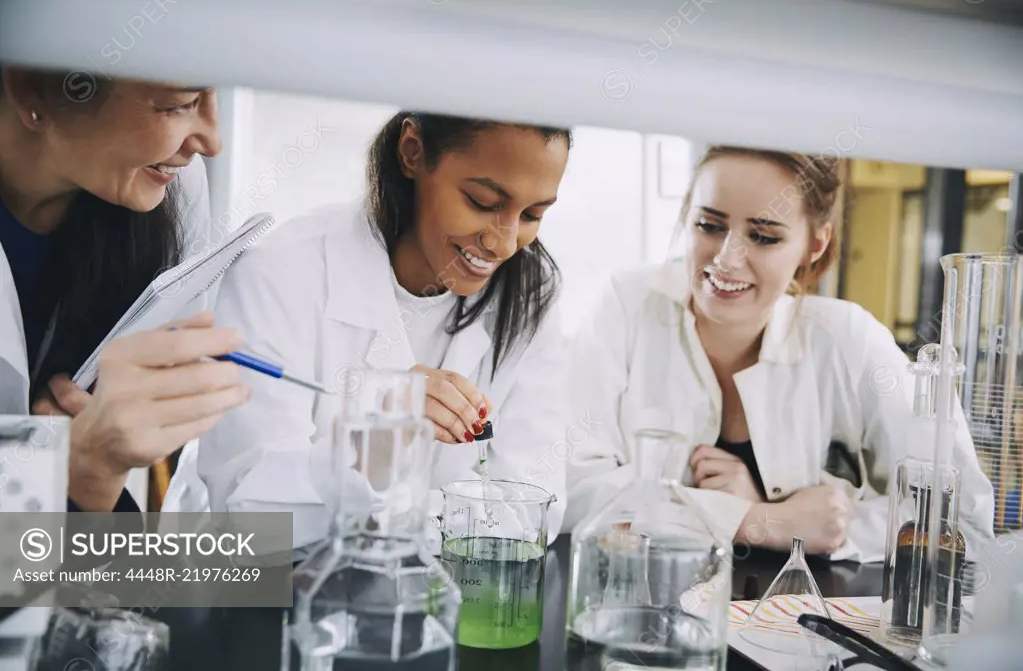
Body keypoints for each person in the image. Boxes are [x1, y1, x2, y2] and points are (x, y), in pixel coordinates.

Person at [565, 145, 994, 562]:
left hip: (800, 623)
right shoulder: (627, 304)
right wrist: (757, 521)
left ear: (815, 245)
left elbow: (962, 519)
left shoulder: (849, 338)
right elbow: (568, 490)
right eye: (709, 226)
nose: (727, 260)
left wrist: (838, 524)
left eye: (763, 236)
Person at [191, 112, 572, 553]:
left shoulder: (531, 294)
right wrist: (370, 442)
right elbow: (252, 518)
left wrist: (397, 514)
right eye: (482, 201)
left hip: (427, 599)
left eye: (532, 214)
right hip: (239, 590)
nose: (505, 244)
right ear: (412, 151)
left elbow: (533, 509)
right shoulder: (280, 272)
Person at [0, 66, 248, 513]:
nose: (212, 142)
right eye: (179, 105)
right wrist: (80, 470)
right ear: (31, 89)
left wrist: (91, 469)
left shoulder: (165, 192)